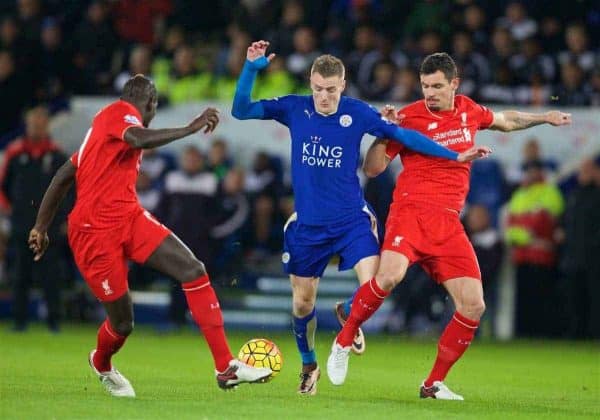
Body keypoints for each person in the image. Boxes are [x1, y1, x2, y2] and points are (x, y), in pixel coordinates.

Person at [232, 41, 489, 395]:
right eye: (319, 90)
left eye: (331, 90)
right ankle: (309, 365)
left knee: (377, 281)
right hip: (308, 225)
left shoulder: (358, 113)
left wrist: (455, 155)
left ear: (343, 85)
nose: (324, 97)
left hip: (353, 220)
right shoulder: (294, 108)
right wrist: (251, 70)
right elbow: (240, 110)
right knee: (302, 302)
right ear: (310, 84)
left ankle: (350, 323)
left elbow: (404, 135)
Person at [327, 52, 572, 400]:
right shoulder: (409, 117)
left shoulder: (469, 110)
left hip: (448, 223)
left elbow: (506, 119)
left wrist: (544, 117)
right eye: (425, 86)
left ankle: (433, 384)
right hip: (410, 213)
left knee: (474, 305)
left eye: (437, 86)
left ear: (454, 84)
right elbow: (373, 169)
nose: (430, 93)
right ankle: (343, 340)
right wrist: (383, 133)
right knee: (390, 276)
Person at [27, 74, 272, 398]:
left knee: (193, 269)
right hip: (94, 232)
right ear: (151, 103)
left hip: (128, 216)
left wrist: (40, 226)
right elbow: (138, 138)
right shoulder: (119, 113)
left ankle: (226, 367)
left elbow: (63, 175)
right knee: (123, 324)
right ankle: (101, 362)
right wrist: (190, 128)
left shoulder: (103, 131)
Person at [0, 106, 69, 332]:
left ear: (47, 125)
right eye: (34, 123)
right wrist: (10, 210)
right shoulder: (15, 152)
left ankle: (54, 321)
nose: (37, 127)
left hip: (50, 225)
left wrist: (66, 219)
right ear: (27, 125)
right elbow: (3, 187)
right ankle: (19, 321)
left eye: (41, 123)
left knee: (51, 275)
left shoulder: (58, 154)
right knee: (21, 274)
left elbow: (69, 190)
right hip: (22, 223)